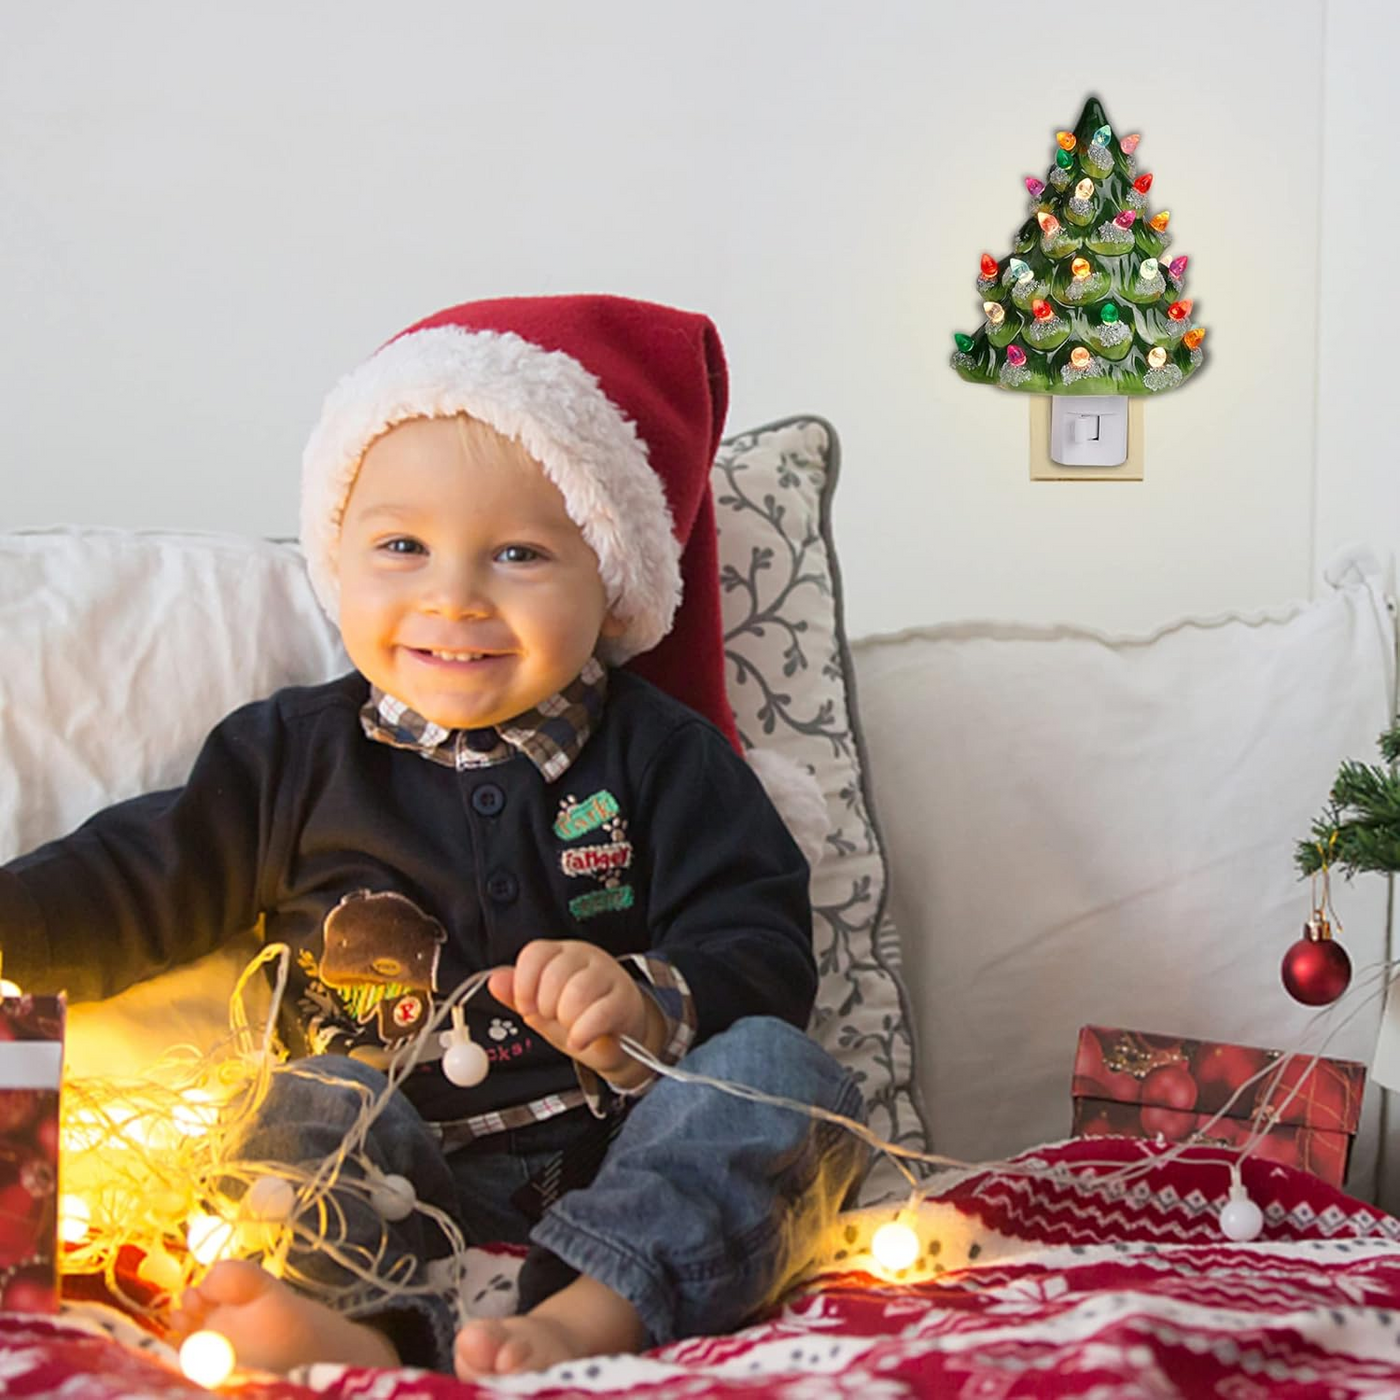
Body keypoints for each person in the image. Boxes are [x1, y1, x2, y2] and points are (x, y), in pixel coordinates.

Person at [0, 295, 867, 1379]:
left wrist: (650, 999)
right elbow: (135, 876)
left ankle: (593, 1305)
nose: (451, 597)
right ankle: (352, 1312)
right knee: (305, 1094)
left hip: (629, 1153)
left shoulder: (664, 756)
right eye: (401, 545)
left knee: (783, 1074)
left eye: (515, 553)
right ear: (339, 561)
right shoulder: (294, 754)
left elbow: (762, 939)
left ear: (610, 584)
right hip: (387, 1153)